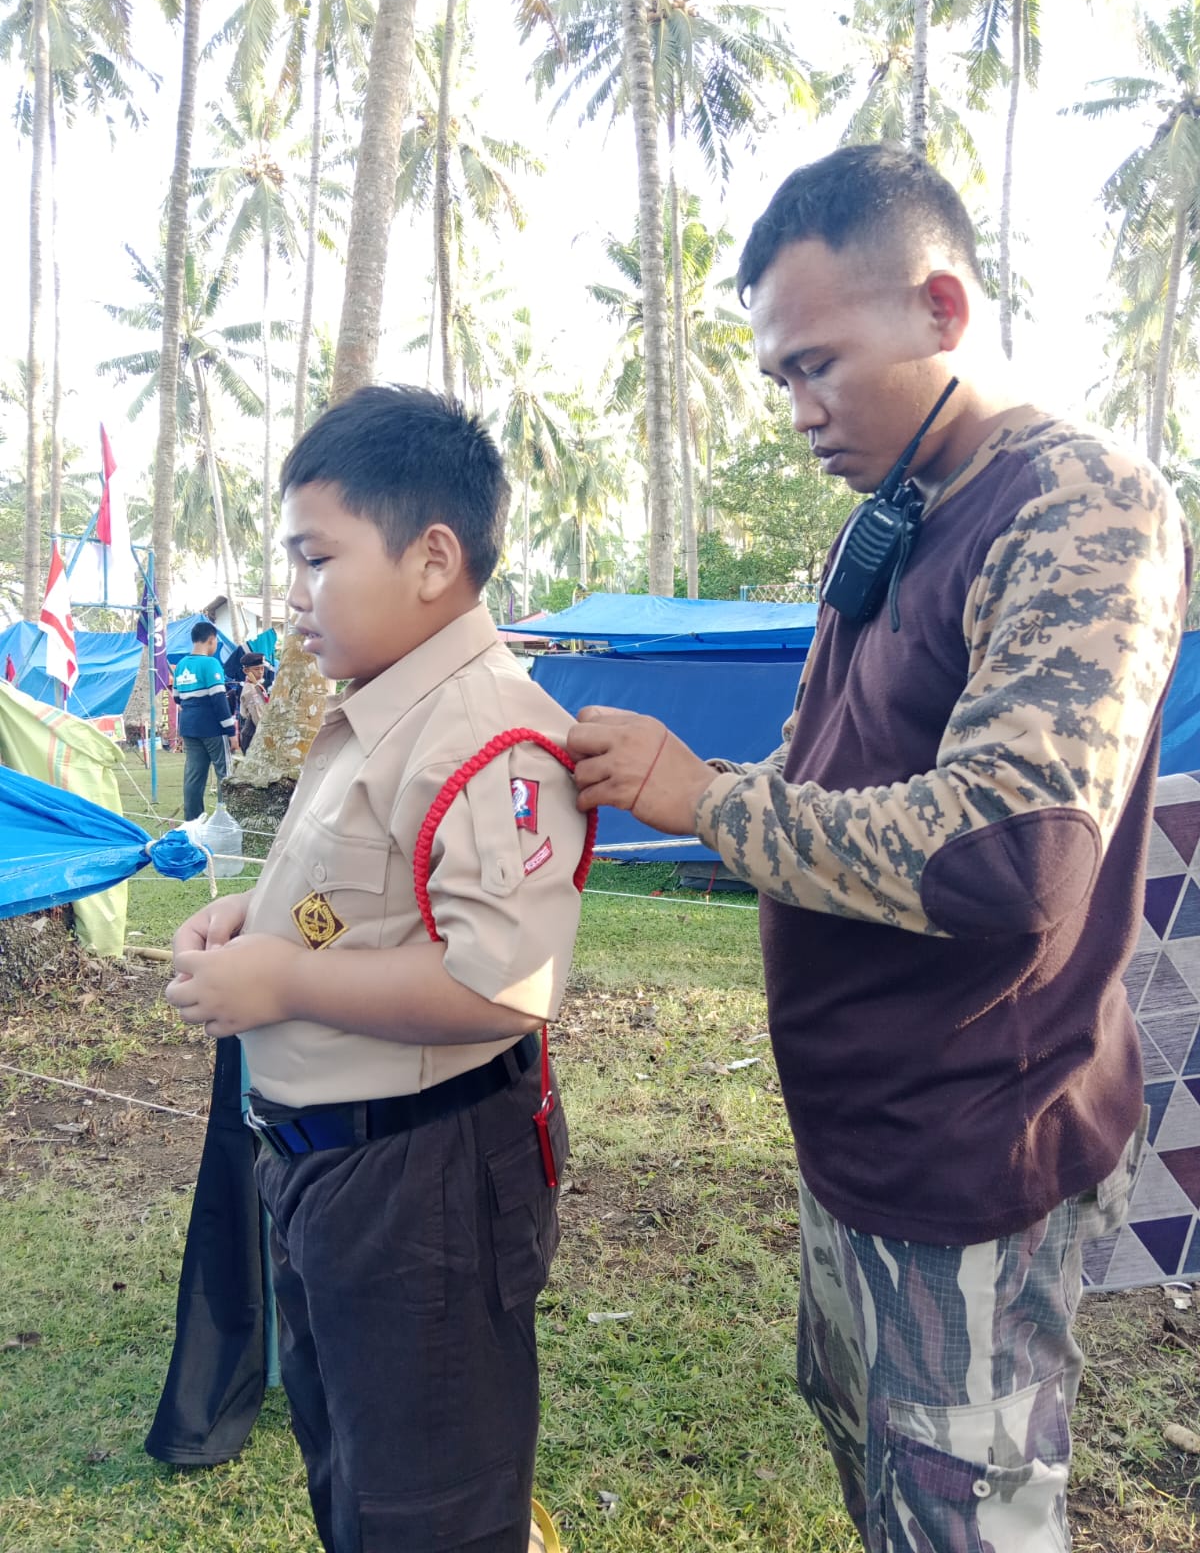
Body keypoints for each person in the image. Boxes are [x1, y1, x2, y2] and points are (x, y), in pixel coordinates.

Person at [566, 144, 1190, 1553]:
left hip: (975, 1145)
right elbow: (832, 770)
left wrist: (706, 804)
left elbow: (1012, 857)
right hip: (862, 1133)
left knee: (969, 1521)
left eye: (818, 365)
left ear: (944, 309)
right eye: (778, 377)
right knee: (888, 1486)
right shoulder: (895, 514)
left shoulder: (1083, 504)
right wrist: (707, 782)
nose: (798, 409)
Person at [164, 384, 586, 1553]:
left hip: (425, 1183)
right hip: (331, 1173)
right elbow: (352, 895)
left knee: (431, 1509)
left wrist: (284, 986)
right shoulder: (382, 714)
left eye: (315, 558)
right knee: (357, 1473)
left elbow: (498, 989)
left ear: (432, 557)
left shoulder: (488, 732)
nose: (291, 597)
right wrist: (256, 921)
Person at [173, 619, 238, 821]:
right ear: (211, 640)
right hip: (212, 728)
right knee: (224, 774)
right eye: (216, 642)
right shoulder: (211, 664)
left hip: (189, 727)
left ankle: (193, 822)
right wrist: (231, 732)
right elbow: (219, 700)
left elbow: (177, 697)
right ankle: (224, 819)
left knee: (194, 776)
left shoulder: (181, 665)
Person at [237, 651, 268, 754]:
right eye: (256, 669)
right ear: (246, 671)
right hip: (253, 733)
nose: (260, 672)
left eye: (262, 668)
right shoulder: (250, 690)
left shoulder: (257, 685)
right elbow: (257, 717)